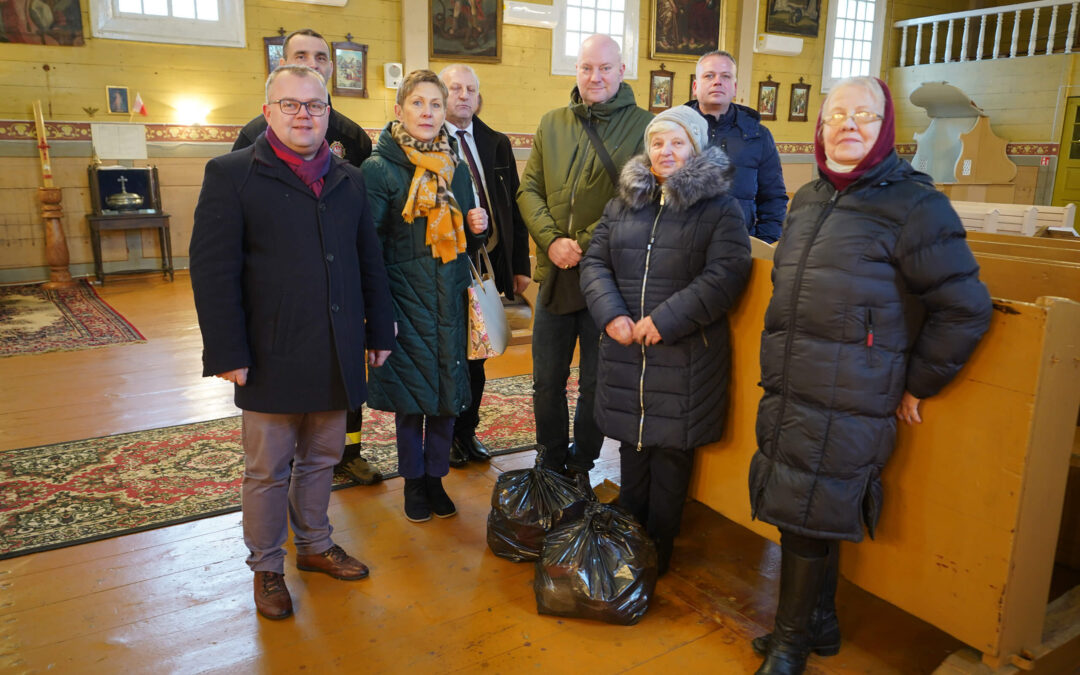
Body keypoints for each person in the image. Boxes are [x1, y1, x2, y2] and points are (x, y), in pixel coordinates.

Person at [748, 76, 993, 675]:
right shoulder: (807, 199)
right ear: (820, 126)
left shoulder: (916, 205)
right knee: (803, 509)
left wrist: (917, 382)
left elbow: (965, 306)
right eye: (837, 115)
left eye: (864, 114)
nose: (848, 125)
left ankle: (789, 645)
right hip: (793, 381)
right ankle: (821, 624)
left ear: (885, 127)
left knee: (806, 513)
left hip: (853, 390)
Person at [190, 65, 396, 620]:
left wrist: (378, 328)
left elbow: (368, 263)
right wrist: (228, 351)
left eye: (315, 105)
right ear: (268, 112)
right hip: (269, 350)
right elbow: (213, 272)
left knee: (323, 457)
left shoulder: (349, 178)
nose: (304, 115)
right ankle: (266, 567)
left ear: (329, 112)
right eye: (291, 105)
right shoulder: (231, 174)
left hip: (335, 345)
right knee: (268, 468)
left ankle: (314, 545)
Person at [580, 107, 751, 575]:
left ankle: (660, 545)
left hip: (684, 353)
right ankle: (631, 534)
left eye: (676, 142)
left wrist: (666, 319)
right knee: (634, 443)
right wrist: (611, 313)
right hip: (627, 348)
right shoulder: (624, 203)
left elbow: (727, 273)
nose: (665, 151)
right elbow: (595, 262)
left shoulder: (719, 208)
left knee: (671, 450)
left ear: (694, 147)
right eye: (657, 143)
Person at [233, 28, 379, 486]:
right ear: (281, 63)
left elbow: (361, 220)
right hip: (280, 296)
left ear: (332, 69)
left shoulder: (351, 134)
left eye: (321, 56)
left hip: (339, 287)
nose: (313, 63)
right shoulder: (253, 135)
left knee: (343, 379)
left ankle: (348, 453)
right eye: (302, 55)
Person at [518, 33, 653, 488]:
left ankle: (582, 465)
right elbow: (528, 189)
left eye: (605, 68)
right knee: (546, 378)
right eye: (586, 68)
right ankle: (550, 458)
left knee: (597, 382)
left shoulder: (644, 126)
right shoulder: (552, 122)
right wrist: (552, 240)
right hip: (555, 273)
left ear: (622, 71)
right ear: (576, 70)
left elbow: (635, 197)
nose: (594, 77)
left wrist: (582, 243)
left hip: (606, 276)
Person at [361, 69, 489, 523]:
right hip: (403, 303)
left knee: (446, 397)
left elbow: (465, 247)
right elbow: (366, 244)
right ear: (399, 110)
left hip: (449, 299)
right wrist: (376, 313)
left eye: (435, 104)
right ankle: (413, 484)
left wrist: (477, 231)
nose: (428, 112)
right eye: (418, 103)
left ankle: (436, 478)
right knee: (411, 401)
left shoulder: (453, 163)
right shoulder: (379, 169)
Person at [438, 64, 532, 469]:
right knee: (447, 354)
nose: (463, 95)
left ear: (479, 97)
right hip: (442, 262)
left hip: (487, 261)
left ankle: (467, 432)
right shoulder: (427, 140)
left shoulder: (495, 143)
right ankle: (442, 435)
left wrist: (519, 264)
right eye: (454, 88)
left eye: (470, 89)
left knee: (479, 352)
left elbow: (514, 205)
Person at [686, 51, 787, 243]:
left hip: (739, 245)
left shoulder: (758, 136)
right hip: (683, 245)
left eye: (726, 76)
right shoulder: (673, 130)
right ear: (695, 86)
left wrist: (762, 243)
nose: (717, 81)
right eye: (709, 75)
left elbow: (773, 198)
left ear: (734, 87)